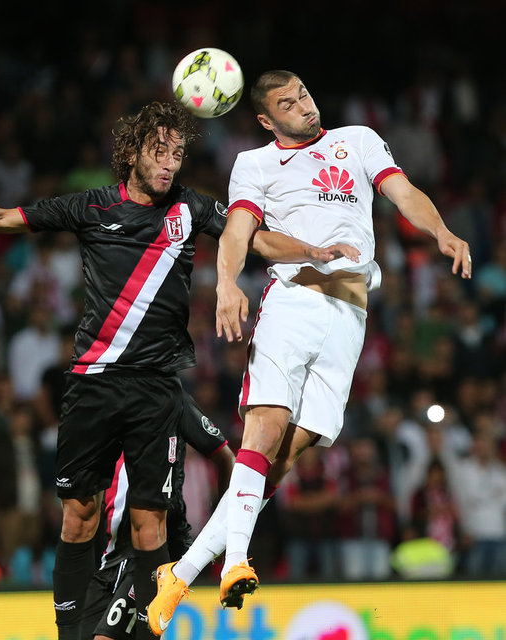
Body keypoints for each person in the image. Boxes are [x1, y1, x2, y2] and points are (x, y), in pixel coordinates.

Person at [0, 100, 356, 640]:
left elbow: (256, 238)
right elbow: (0, 219)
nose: (170, 164)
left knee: (150, 524)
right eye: (159, 151)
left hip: (156, 388)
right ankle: (69, 634)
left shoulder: (191, 208)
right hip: (93, 382)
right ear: (131, 152)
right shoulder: (91, 206)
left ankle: (150, 633)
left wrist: (314, 251)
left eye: (178, 154)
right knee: (79, 515)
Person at [147, 71, 472, 635]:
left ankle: (181, 573)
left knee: (286, 458)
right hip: (293, 301)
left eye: (303, 94)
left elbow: (404, 193)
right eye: (287, 103)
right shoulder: (255, 163)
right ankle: (235, 560)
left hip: (349, 317)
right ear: (266, 119)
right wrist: (227, 283)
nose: (303, 105)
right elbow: (237, 231)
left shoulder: (358, 140)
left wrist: (440, 231)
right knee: (265, 428)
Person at [80, 392, 234, 640]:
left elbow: (226, 459)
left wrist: (222, 533)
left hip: (154, 551)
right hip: (110, 556)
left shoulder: (170, 398)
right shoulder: (101, 402)